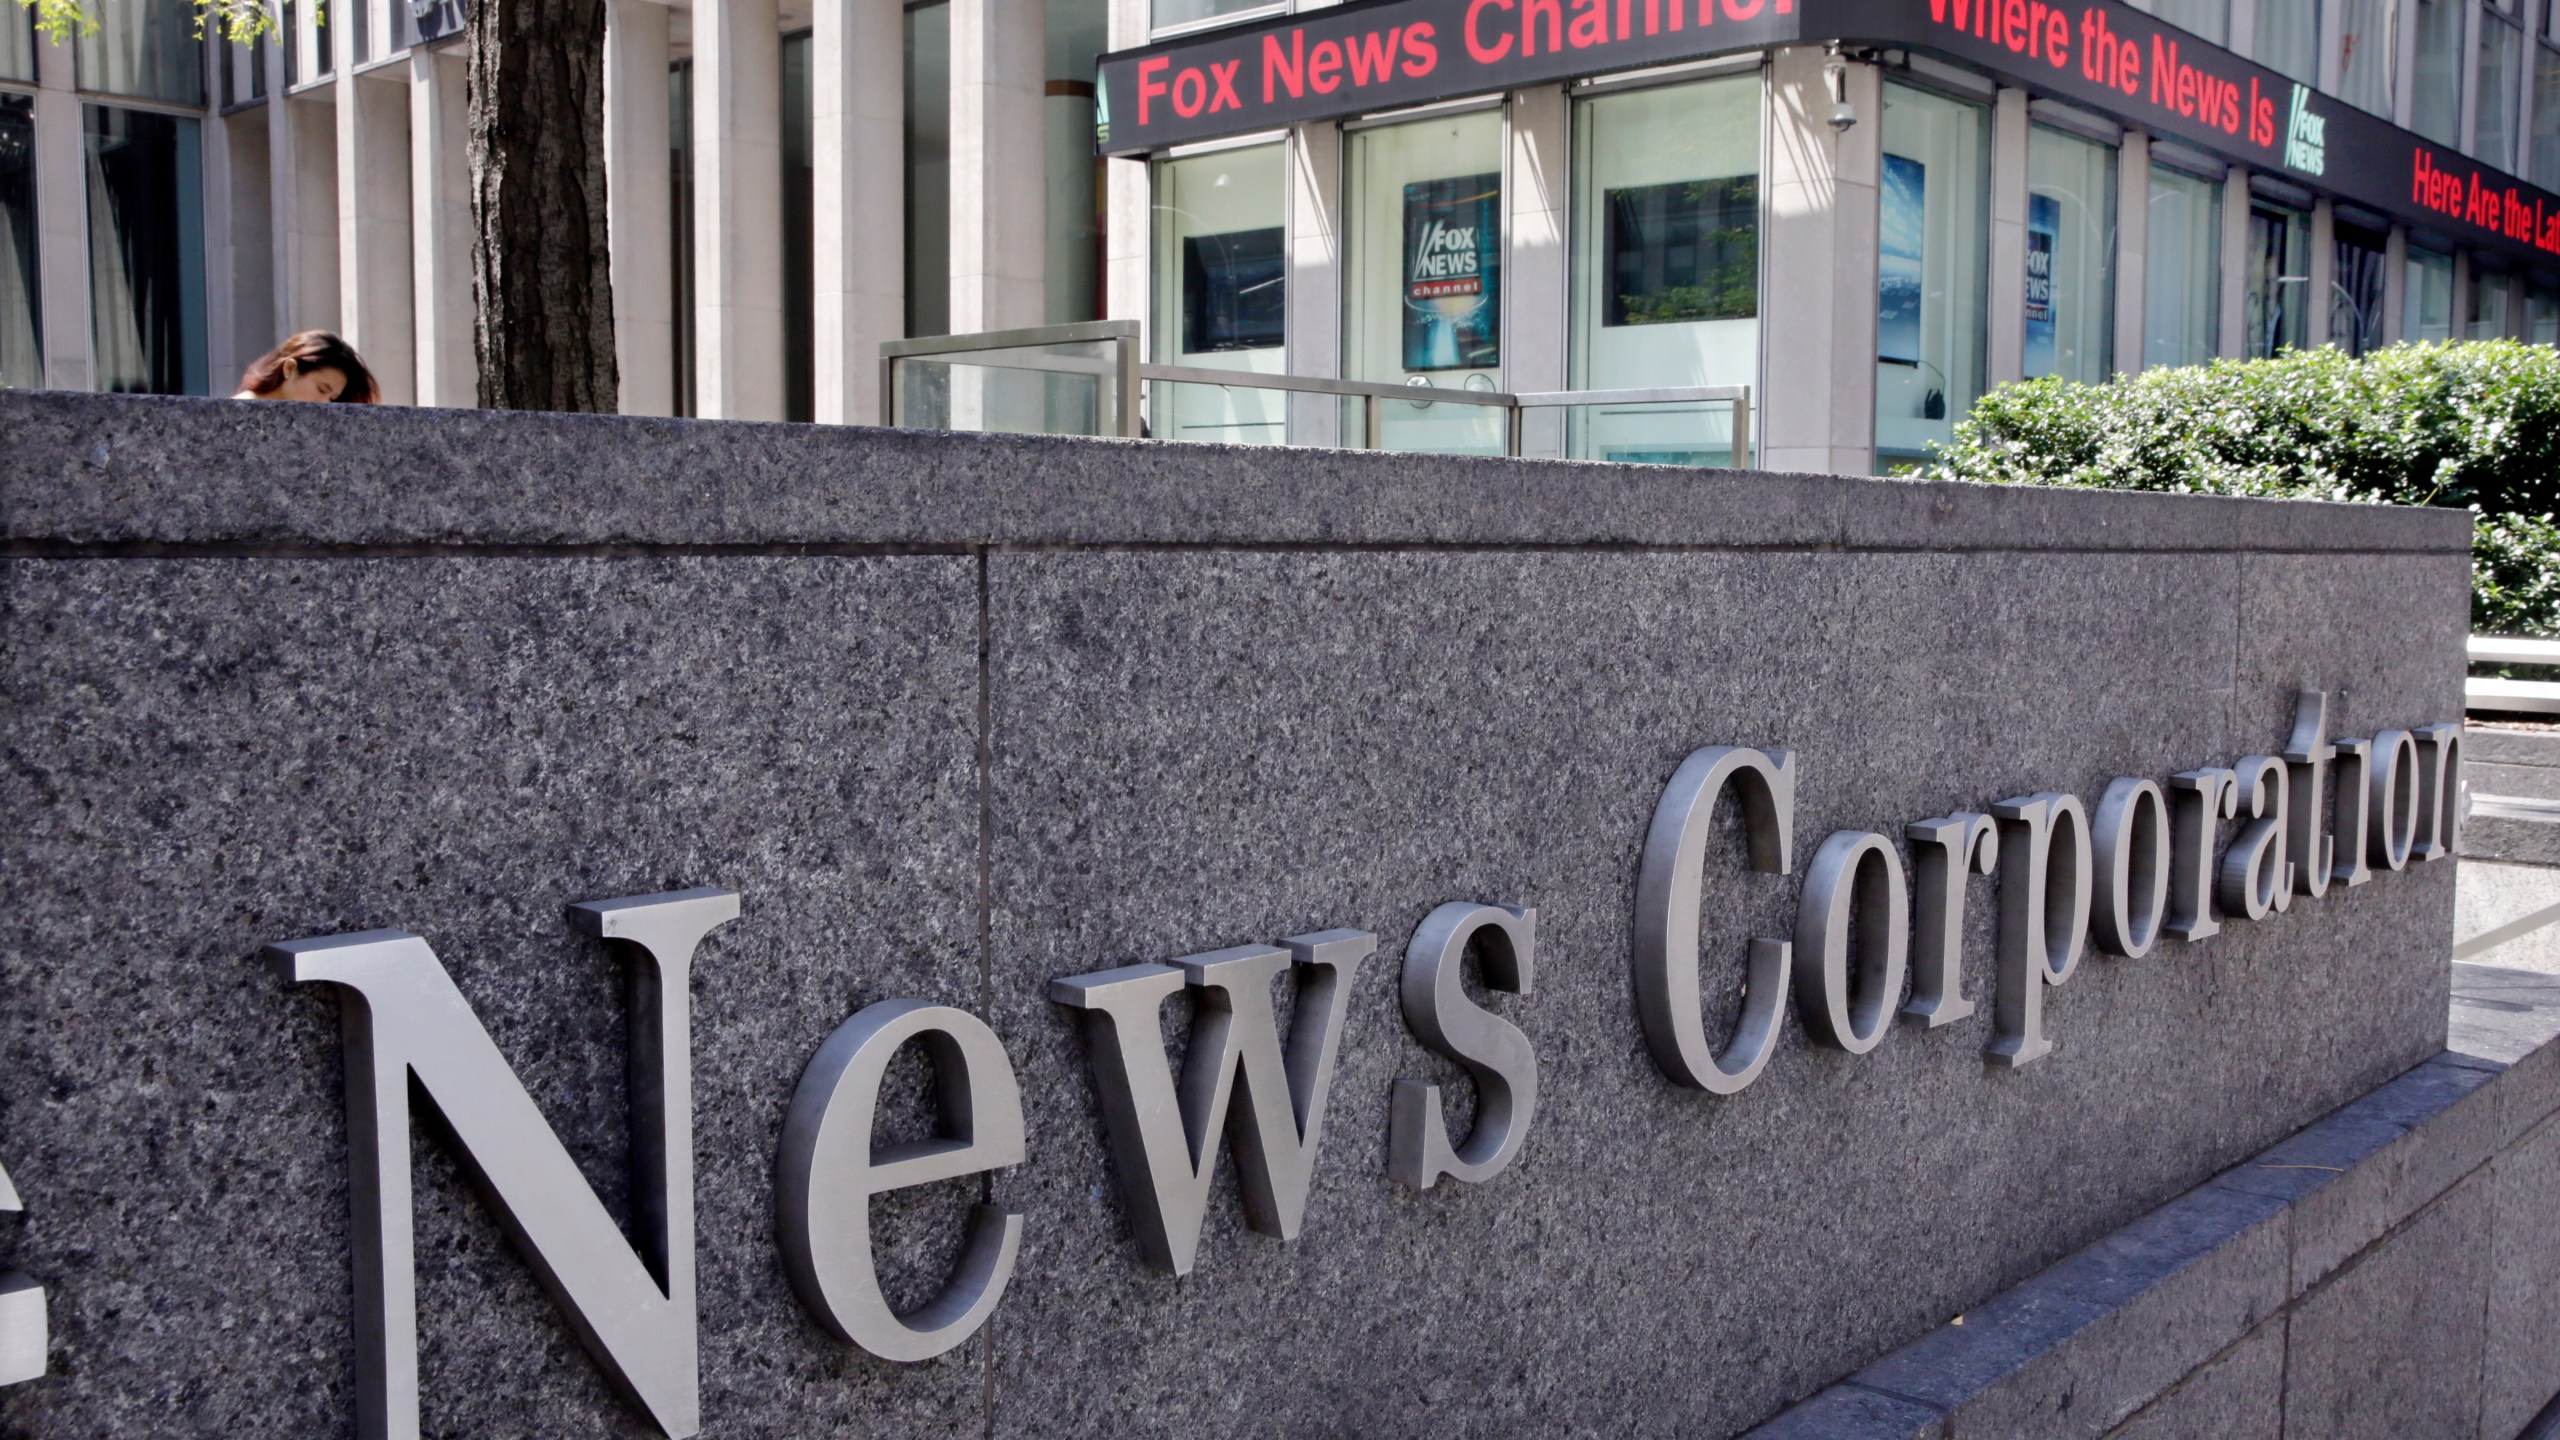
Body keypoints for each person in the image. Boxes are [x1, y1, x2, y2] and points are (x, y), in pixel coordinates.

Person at [232, 331, 380, 404]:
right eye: (322, 389)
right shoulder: (241, 410)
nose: (324, 403)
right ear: (290, 368)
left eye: (332, 398)